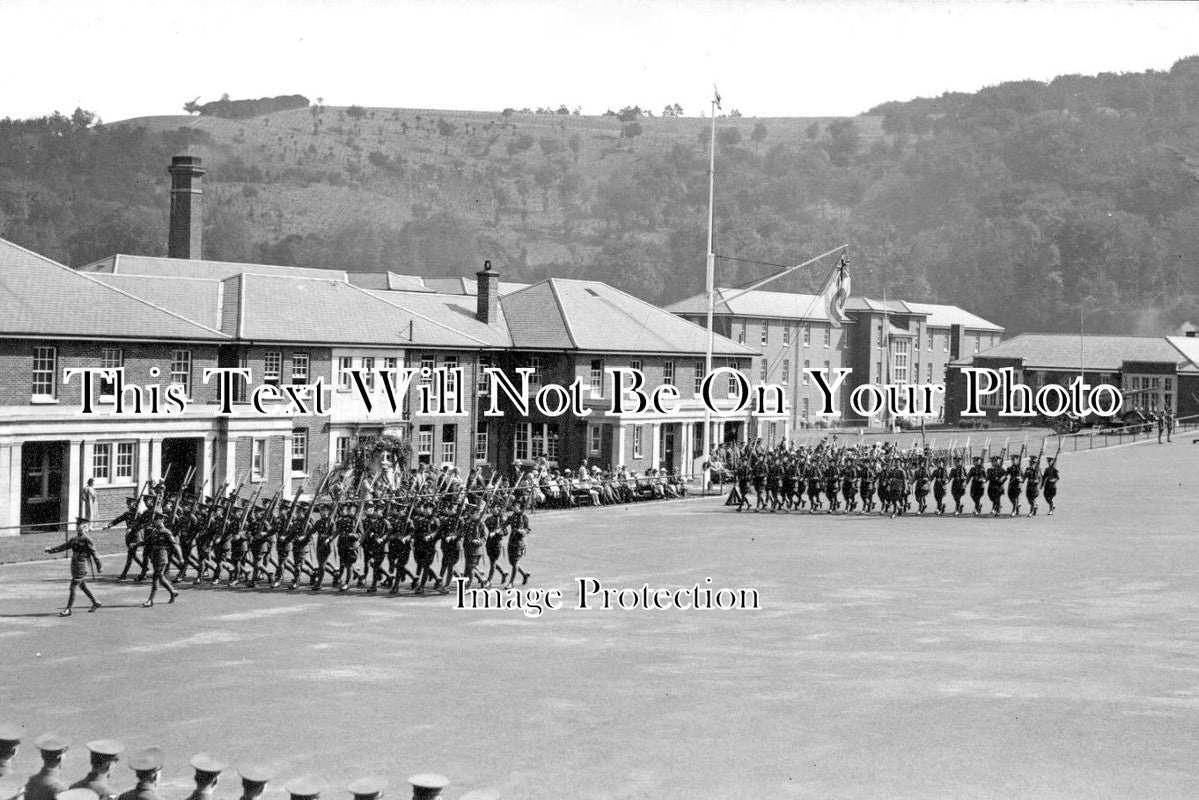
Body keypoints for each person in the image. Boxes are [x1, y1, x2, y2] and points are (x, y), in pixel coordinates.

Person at [45, 524, 103, 616]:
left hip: (82, 566)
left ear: (85, 529)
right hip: (75, 565)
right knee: (82, 586)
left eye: (82, 528)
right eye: (78, 527)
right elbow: (64, 546)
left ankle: (68, 609)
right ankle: (95, 602)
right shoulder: (74, 539)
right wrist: (51, 550)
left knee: (73, 587)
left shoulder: (87, 539)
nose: (79, 529)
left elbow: (94, 553)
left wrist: (99, 566)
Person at [142, 512, 180, 607]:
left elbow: (175, 545)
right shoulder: (154, 531)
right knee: (161, 577)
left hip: (162, 557)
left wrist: (181, 558)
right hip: (155, 557)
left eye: (157, 519)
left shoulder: (166, 532)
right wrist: (135, 544)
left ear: (162, 520)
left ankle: (150, 600)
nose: (155, 521)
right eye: (155, 519)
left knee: (155, 577)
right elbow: (146, 541)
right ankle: (172, 591)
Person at [24, 735, 69, 800]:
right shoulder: (59, 788)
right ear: (60, 756)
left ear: (42, 755)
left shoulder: (30, 781)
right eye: (65, 752)